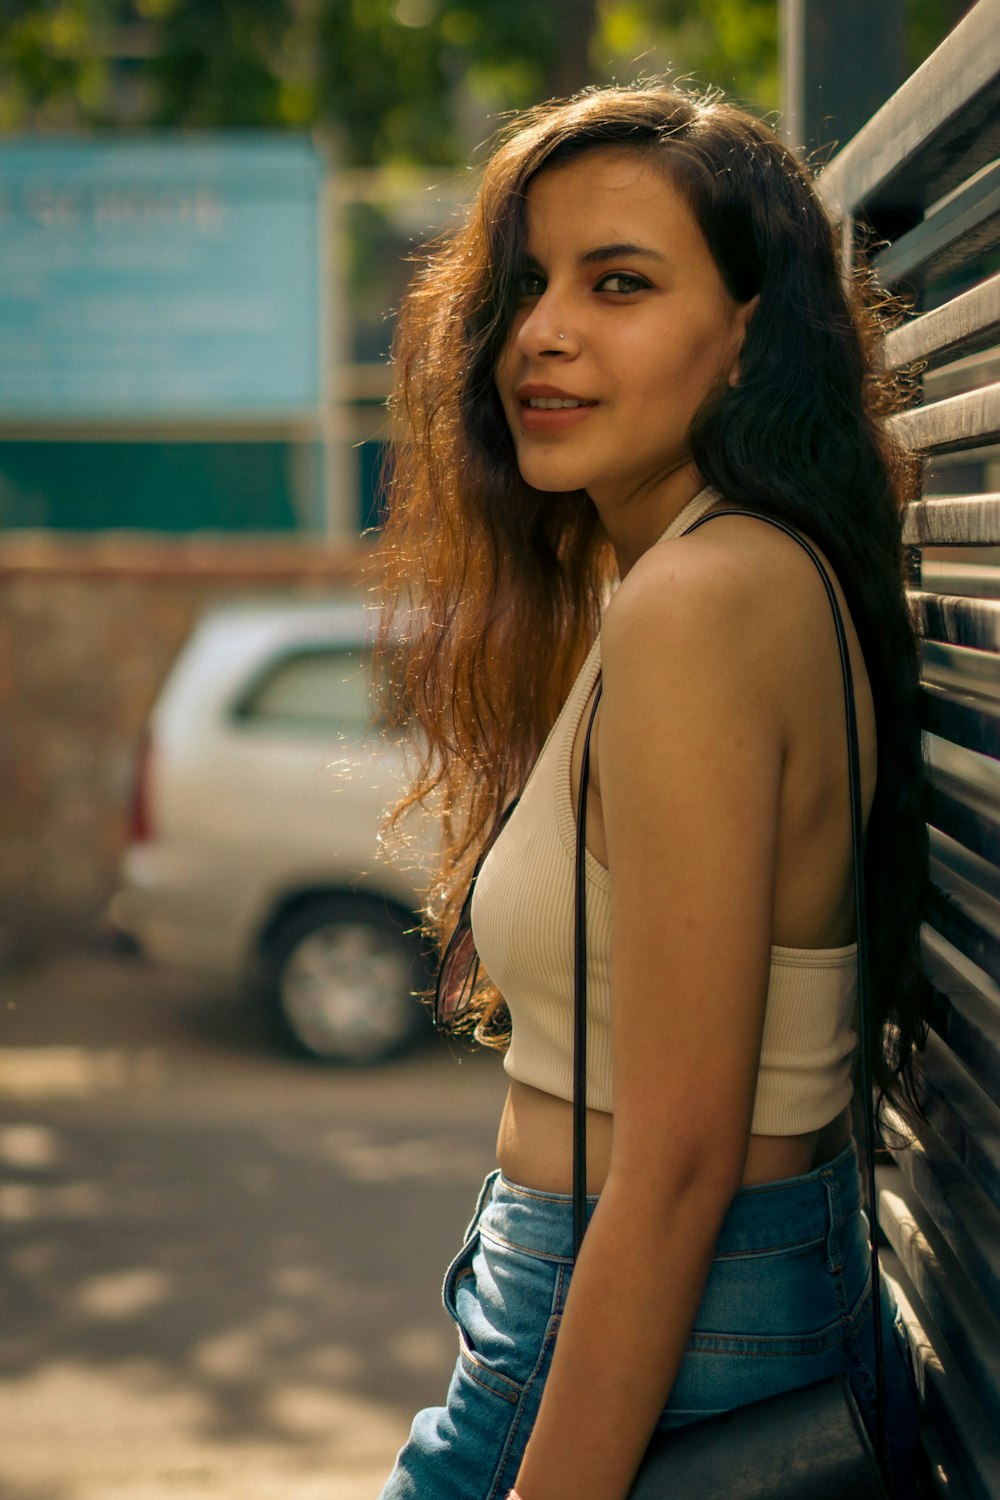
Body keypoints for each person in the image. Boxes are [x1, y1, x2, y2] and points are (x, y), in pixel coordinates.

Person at [375, 81, 928, 1500]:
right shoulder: (740, 569)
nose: (541, 333)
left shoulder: (699, 601)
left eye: (619, 282)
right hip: (683, 1300)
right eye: (526, 284)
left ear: (748, 335)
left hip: (636, 1318)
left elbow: (677, 1160)